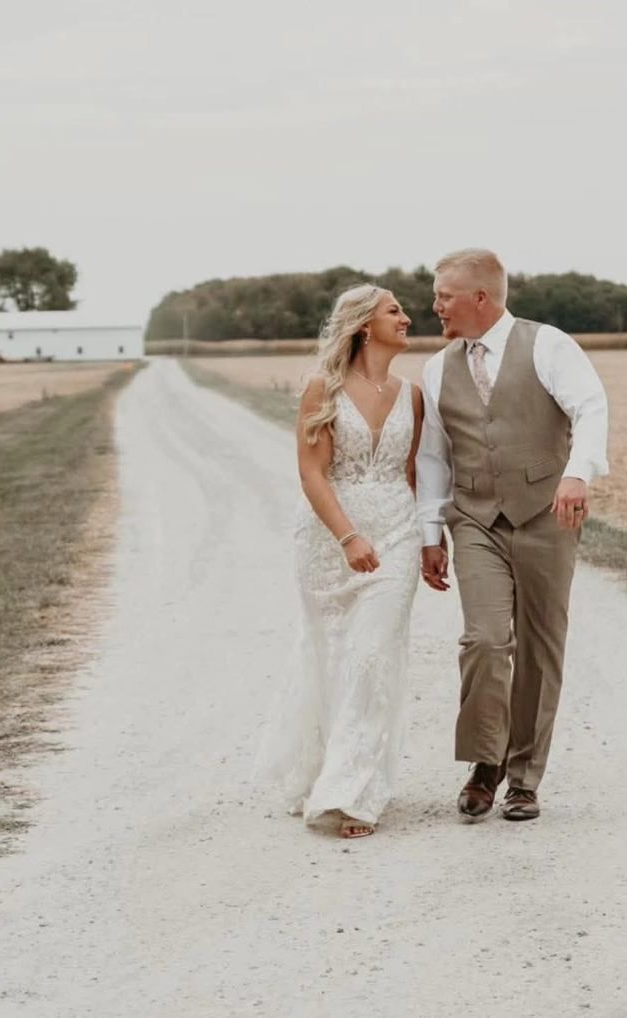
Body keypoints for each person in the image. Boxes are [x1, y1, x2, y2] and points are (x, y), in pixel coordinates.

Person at [416, 249, 609, 822]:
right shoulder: (436, 367)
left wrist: (578, 474)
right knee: (482, 640)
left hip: (547, 513)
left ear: (481, 297)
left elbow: (591, 408)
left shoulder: (547, 344)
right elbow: (433, 456)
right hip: (475, 518)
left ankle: (524, 778)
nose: (435, 306)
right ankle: (485, 763)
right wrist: (432, 532)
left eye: (443, 296)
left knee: (540, 647)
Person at [255, 284, 424, 839]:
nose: (407, 317)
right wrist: (349, 537)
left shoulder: (412, 395)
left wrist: (427, 540)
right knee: (333, 658)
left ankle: (352, 791)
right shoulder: (321, 388)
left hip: (397, 533)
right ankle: (322, 767)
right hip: (331, 541)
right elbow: (312, 474)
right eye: (394, 310)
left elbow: (411, 474)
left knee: (374, 657)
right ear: (362, 325)